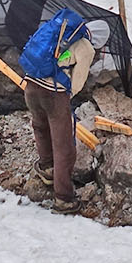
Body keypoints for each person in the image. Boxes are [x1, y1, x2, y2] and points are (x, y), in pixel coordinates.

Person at [22, 11, 95, 208]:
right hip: (53, 93)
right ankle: (64, 198)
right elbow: (77, 82)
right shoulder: (86, 47)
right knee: (63, 146)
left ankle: (47, 169)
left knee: (40, 127)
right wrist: (66, 96)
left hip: (30, 85)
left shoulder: (54, 32)